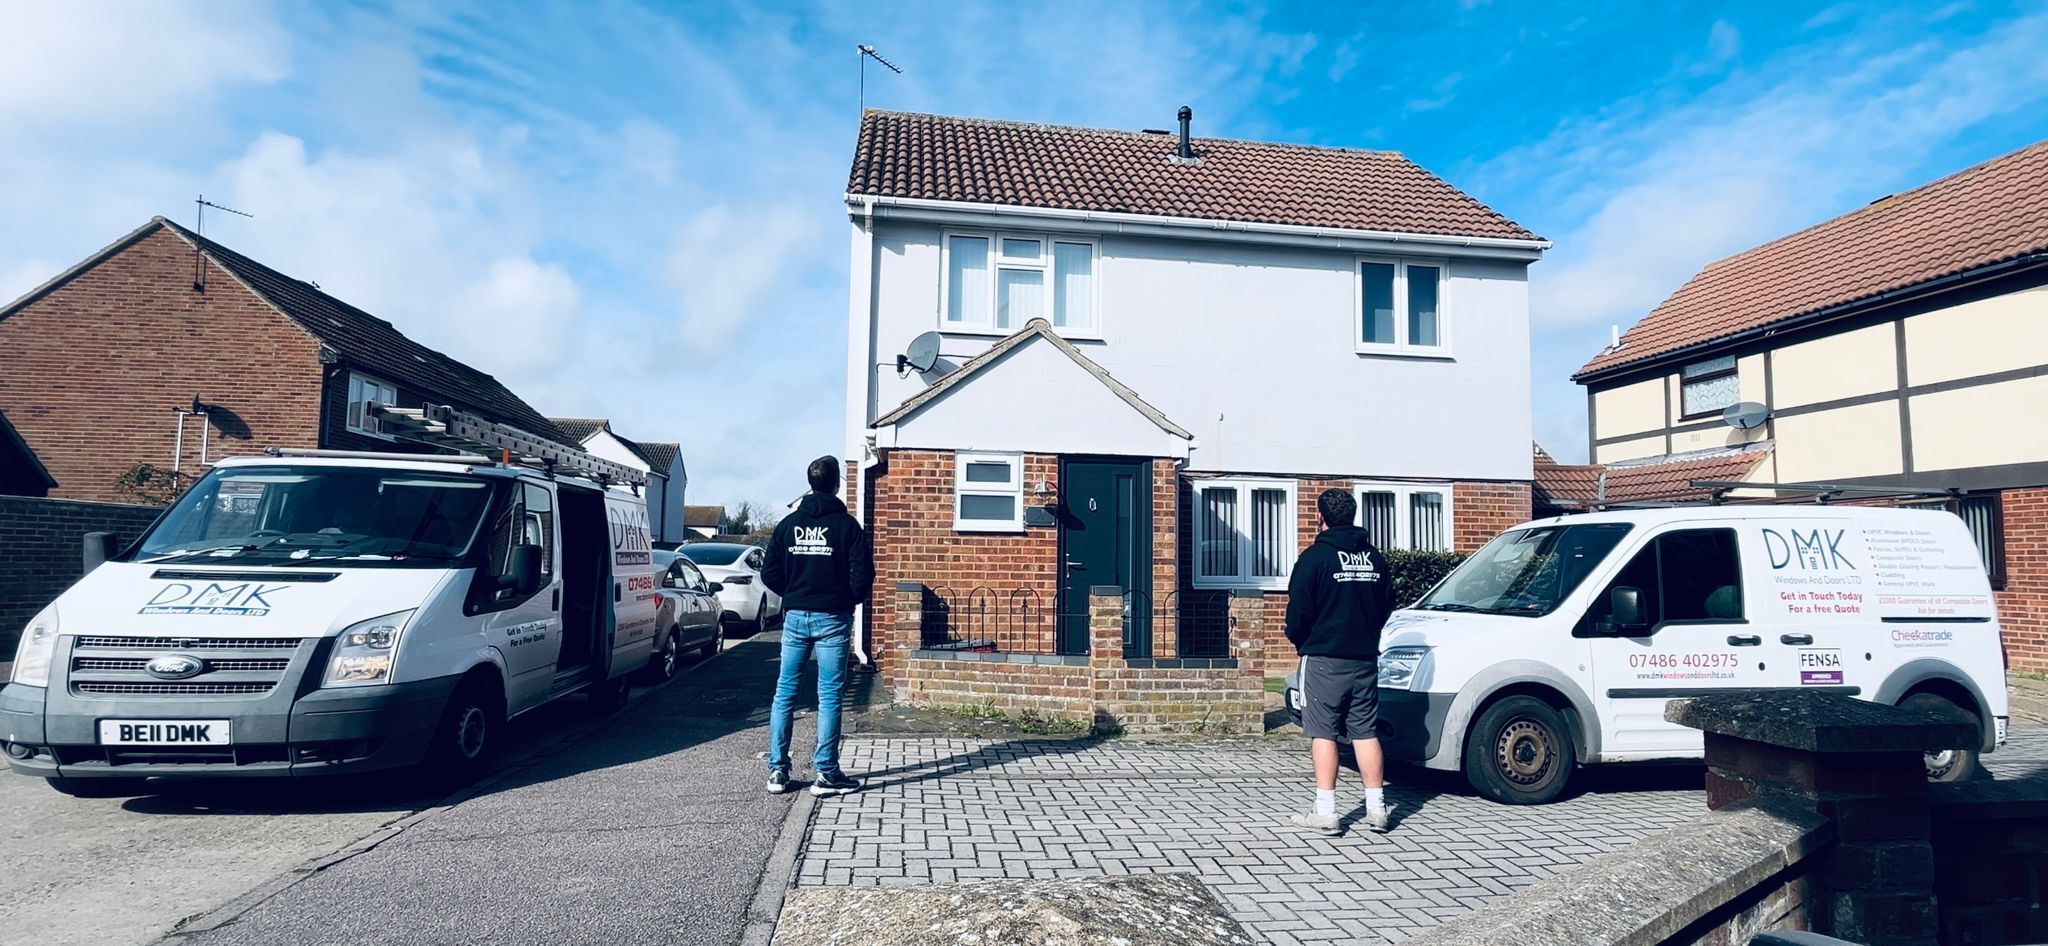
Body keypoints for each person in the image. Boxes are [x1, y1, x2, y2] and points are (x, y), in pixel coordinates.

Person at [760, 455, 874, 797]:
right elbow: (863, 575)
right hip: (833, 619)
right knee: (829, 696)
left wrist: (794, 593)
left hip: (795, 617)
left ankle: (778, 771)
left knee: (785, 693)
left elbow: (769, 573)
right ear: (836, 484)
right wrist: (844, 599)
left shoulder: (788, 525)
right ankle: (826, 774)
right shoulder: (847, 527)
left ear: (810, 484)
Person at [1285, 488, 1397, 835]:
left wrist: (1302, 640)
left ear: (1320, 517)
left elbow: (1298, 610)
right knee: (1365, 731)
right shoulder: (1374, 558)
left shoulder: (1315, 558)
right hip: (1364, 657)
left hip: (1324, 658)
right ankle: (1377, 809)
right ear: (1352, 515)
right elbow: (1387, 604)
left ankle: (1327, 812)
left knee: (1323, 732)